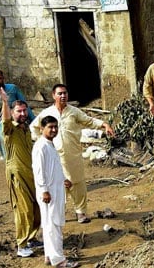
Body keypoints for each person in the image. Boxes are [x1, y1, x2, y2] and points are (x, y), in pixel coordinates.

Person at [31, 84, 114, 223]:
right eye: (59, 94)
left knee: (78, 183)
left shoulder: (74, 112)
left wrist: (103, 125)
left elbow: (89, 121)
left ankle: (81, 212)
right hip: (55, 156)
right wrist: (42, 142)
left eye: (65, 93)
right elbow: (34, 127)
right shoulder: (46, 113)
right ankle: (58, 213)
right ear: (53, 95)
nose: (63, 96)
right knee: (59, 185)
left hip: (73, 154)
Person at [32, 115, 79, 268]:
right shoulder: (41, 146)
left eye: (55, 127)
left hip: (55, 189)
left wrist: (63, 179)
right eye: (50, 127)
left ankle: (49, 255)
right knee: (53, 225)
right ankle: (59, 260)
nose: (53, 130)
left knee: (50, 224)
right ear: (42, 129)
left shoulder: (50, 145)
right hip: (48, 193)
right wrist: (44, 190)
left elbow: (53, 167)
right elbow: (39, 171)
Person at [0, 89, 41, 258]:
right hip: (18, 177)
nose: (23, 114)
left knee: (36, 209)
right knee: (23, 210)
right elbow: (6, 121)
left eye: (25, 110)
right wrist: (4, 103)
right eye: (19, 111)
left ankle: (32, 238)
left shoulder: (26, 129)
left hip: (32, 175)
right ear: (12, 113)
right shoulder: (10, 129)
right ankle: (21, 244)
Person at [0, 69, 35, 158]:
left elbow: (25, 105)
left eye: (0, 79)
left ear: (3, 78)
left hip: (19, 124)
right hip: (2, 127)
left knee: (26, 151)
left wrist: (34, 122)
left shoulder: (13, 89)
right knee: (8, 155)